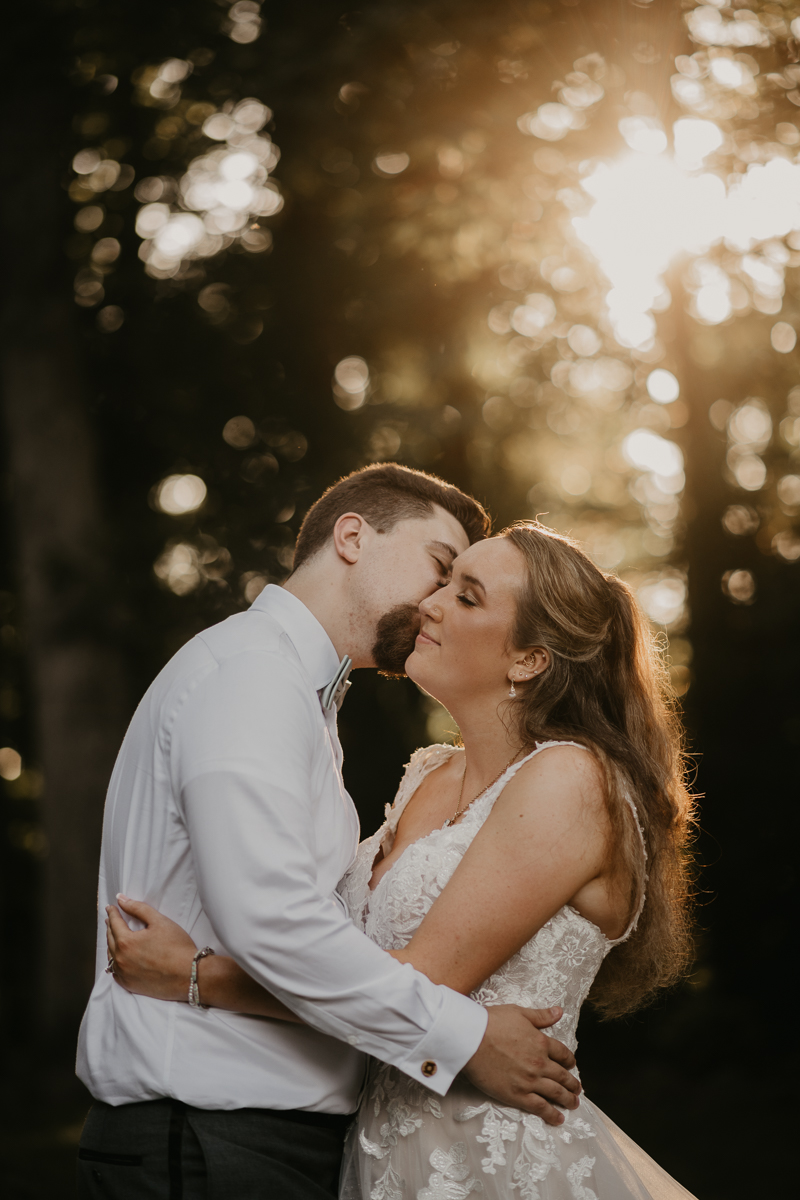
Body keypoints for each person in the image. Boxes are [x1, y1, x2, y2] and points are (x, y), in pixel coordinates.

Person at [107, 520, 699, 1199]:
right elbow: (339, 964)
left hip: (493, 1162)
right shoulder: (429, 773)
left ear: (530, 659)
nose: (432, 603)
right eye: (443, 581)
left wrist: (194, 976)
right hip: (379, 1155)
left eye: (468, 596)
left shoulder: (573, 779)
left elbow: (418, 982)